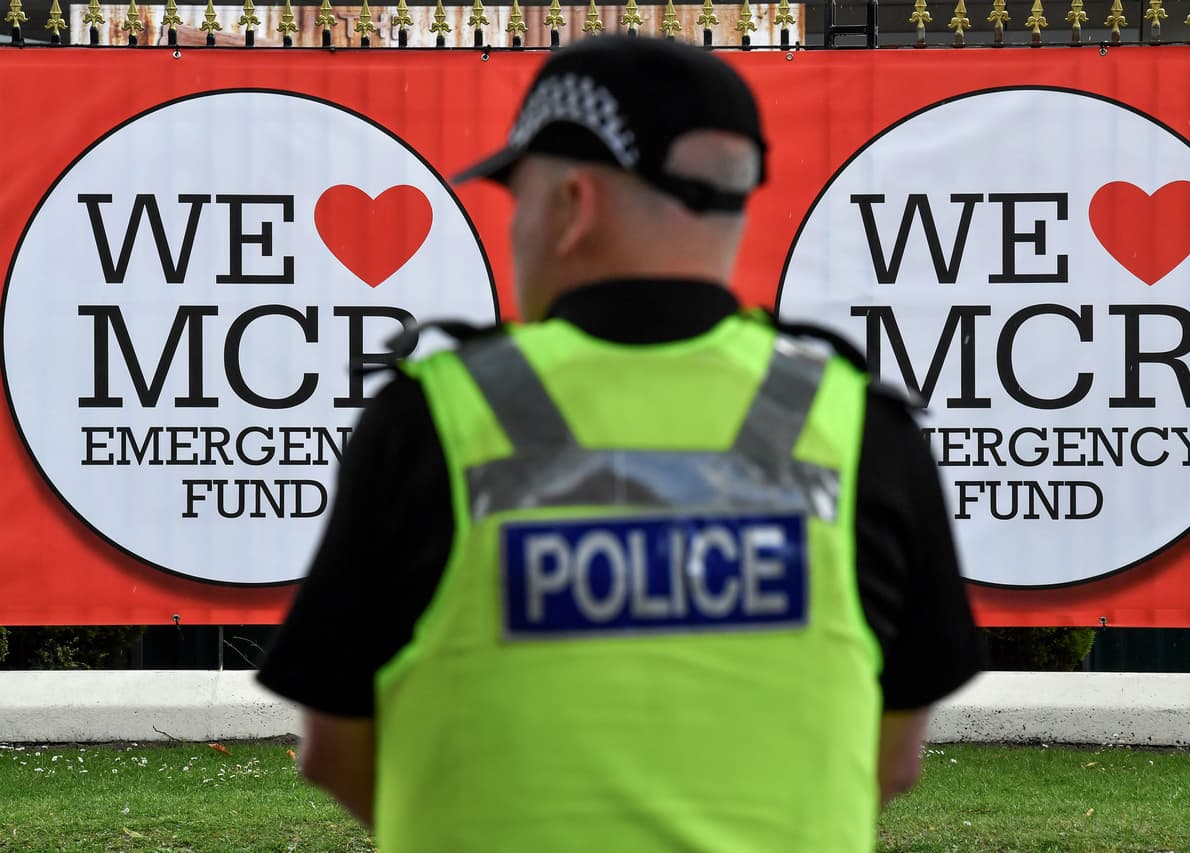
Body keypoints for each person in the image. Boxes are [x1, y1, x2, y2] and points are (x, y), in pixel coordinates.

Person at [258, 35, 982, 853]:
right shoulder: (861, 428)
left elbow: (335, 750)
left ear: (573, 203)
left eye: (517, 199)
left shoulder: (433, 419)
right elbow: (889, 760)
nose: (515, 230)